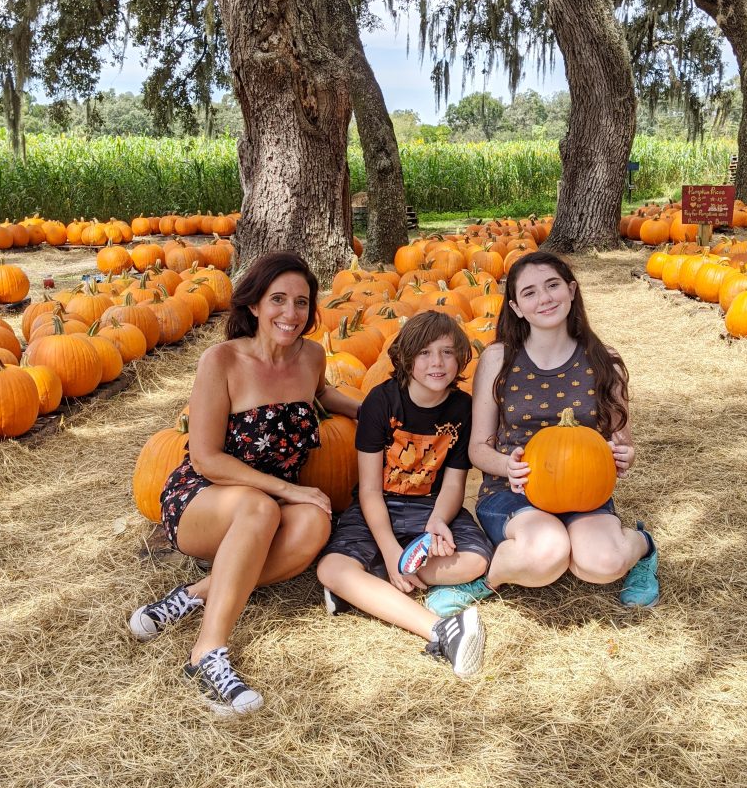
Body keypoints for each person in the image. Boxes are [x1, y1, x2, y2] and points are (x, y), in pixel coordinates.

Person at [128, 251, 359, 715]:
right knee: (262, 507)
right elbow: (207, 457)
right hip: (202, 499)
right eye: (278, 300)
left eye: (301, 302)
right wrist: (289, 489)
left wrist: (382, 409)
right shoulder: (222, 361)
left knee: (316, 523)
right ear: (254, 305)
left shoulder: (311, 355)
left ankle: (193, 596)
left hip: (265, 502)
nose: (290, 314)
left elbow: (322, 396)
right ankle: (206, 656)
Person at [426, 250, 658, 617]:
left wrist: (624, 455)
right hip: (512, 492)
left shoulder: (604, 361)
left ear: (571, 290)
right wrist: (508, 465)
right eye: (530, 292)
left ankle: (642, 546)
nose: (545, 298)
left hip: (585, 494)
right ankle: (486, 580)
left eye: (552, 285)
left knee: (601, 563)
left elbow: (621, 441)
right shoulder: (499, 359)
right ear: (517, 307)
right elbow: (478, 449)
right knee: (547, 553)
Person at [316, 311, 492, 679]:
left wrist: (438, 523)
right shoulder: (382, 402)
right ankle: (440, 629)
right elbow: (367, 489)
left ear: (461, 358)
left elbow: (454, 483)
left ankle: (366, 585)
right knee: (330, 567)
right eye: (425, 353)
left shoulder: (462, 409)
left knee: (476, 560)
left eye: (447, 352)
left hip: (431, 508)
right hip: (379, 505)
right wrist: (392, 550)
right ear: (406, 359)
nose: (437, 363)